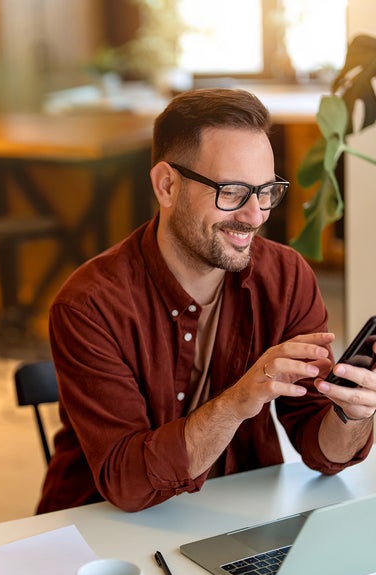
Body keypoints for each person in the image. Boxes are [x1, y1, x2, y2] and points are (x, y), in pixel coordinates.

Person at [37, 88, 374, 514]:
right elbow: (128, 484)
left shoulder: (286, 278)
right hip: (100, 532)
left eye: (266, 190)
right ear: (167, 185)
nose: (255, 215)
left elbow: (320, 448)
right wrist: (237, 402)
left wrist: (351, 415)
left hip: (234, 516)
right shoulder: (90, 305)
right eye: (232, 191)